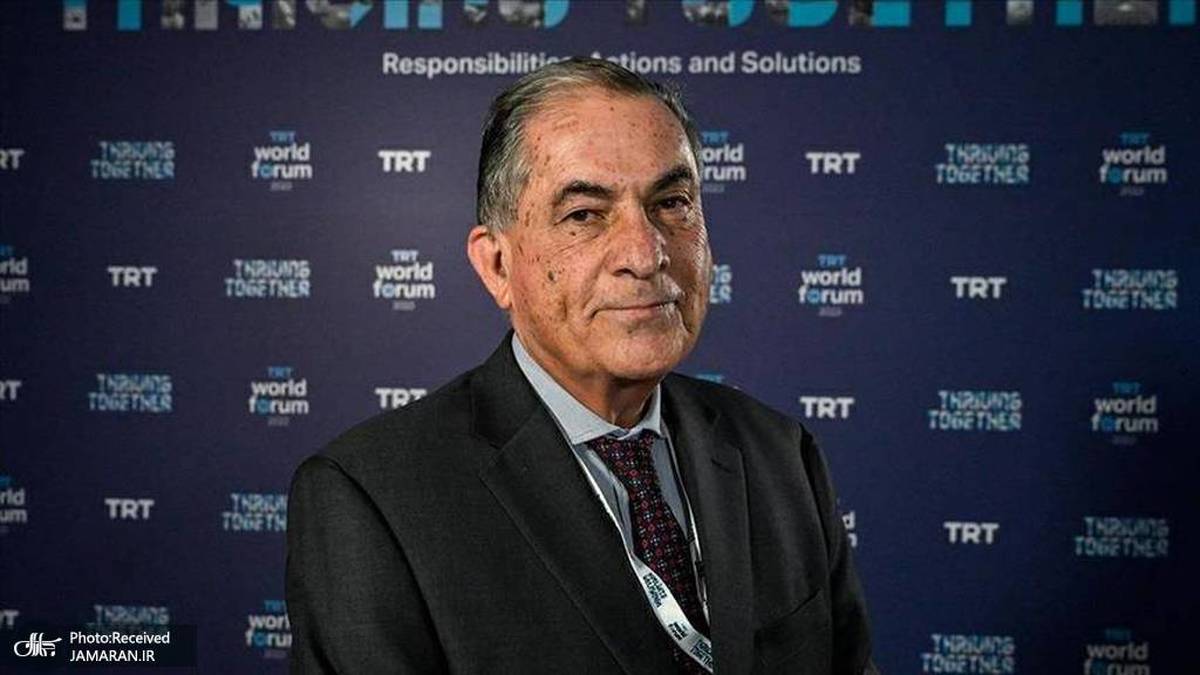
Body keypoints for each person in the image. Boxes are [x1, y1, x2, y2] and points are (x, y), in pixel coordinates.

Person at [286, 57, 877, 674]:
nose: (645, 254)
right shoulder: (371, 498)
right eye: (585, 215)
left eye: (672, 202)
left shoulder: (781, 453)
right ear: (497, 265)